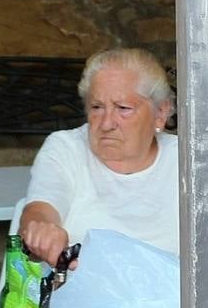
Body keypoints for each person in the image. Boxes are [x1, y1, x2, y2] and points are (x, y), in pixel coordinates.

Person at [18, 47, 178, 264]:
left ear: (160, 113)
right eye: (96, 107)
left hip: (172, 296)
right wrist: (41, 230)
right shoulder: (66, 148)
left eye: (123, 108)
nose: (106, 123)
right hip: (83, 293)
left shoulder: (186, 160)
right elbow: (41, 209)